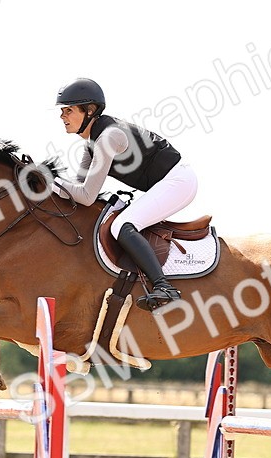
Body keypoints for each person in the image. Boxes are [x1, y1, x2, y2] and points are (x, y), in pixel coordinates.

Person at [51, 77, 198, 310]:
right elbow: (76, 188)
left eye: (68, 110)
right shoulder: (92, 143)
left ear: (90, 111)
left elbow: (86, 196)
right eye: (62, 111)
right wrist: (48, 183)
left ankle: (164, 287)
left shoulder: (108, 137)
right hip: (167, 182)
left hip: (178, 181)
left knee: (122, 225)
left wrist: (49, 182)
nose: (62, 116)